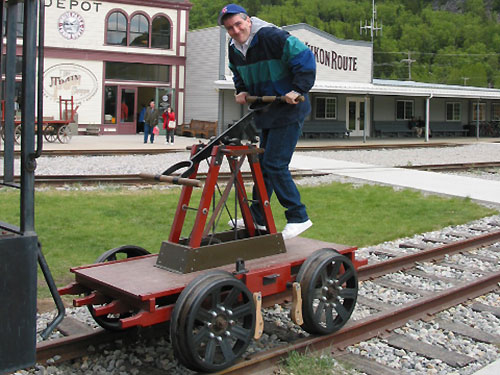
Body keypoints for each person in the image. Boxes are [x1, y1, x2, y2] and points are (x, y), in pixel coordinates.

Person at [219, 4, 316, 240]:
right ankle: (258, 217)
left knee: (275, 164)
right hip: (266, 111)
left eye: (238, 24)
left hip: (289, 109)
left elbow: (305, 57)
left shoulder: (272, 37)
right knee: (262, 168)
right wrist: (241, 90)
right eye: (230, 28)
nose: (235, 30)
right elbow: (237, 73)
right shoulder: (234, 49)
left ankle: (298, 217)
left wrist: (298, 88)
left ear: (248, 21)